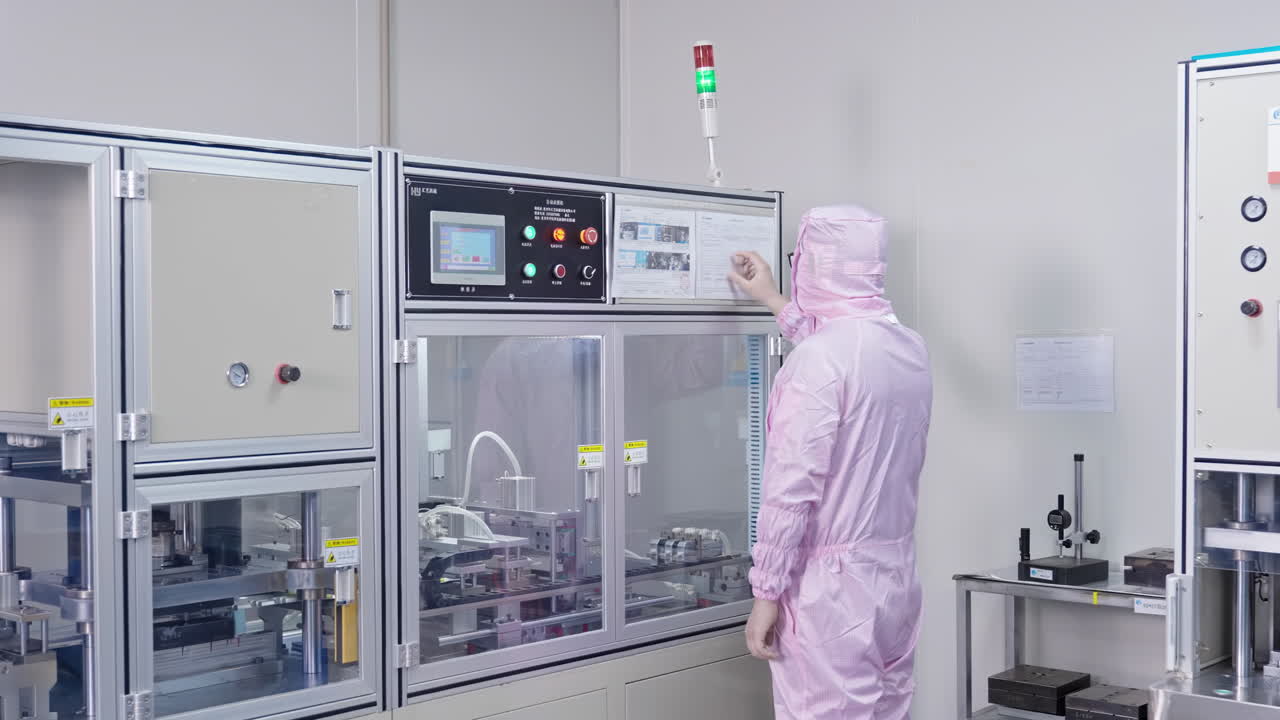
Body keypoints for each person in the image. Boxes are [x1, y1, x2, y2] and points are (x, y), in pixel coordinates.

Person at [728, 205, 933, 719]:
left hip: (829, 594)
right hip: (893, 580)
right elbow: (845, 354)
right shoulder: (907, 348)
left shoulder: (816, 363)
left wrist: (766, 593)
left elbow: (789, 491)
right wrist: (775, 300)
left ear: (816, 263)